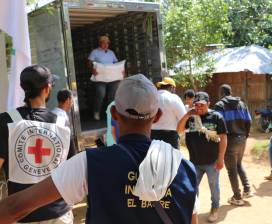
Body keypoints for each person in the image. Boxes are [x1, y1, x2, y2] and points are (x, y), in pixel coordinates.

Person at [0, 74, 198, 224]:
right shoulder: (186, 168)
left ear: (114, 113)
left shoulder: (89, 163)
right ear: (157, 116)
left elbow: (15, 207)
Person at [0, 65, 76, 223]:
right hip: (59, 214)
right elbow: (72, 171)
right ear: (47, 88)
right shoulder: (62, 123)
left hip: (21, 215)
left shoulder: (6, 121)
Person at [177, 92, 227, 223]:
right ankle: (194, 213)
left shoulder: (216, 117)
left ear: (209, 104)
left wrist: (221, 158)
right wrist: (187, 114)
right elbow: (179, 130)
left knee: (214, 186)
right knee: (192, 188)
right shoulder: (191, 117)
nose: (199, 107)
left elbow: (223, 138)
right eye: (196, 105)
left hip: (212, 161)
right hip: (194, 161)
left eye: (202, 105)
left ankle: (215, 208)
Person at [214, 84, 252, 206]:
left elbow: (216, 125)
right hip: (242, 139)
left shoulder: (219, 105)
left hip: (229, 141)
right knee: (239, 164)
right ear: (230, 92)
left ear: (222, 93)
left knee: (232, 170)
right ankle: (247, 190)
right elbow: (249, 121)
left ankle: (237, 197)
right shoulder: (242, 104)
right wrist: (245, 135)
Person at [88, 35, 119, 121]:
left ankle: (110, 113)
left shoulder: (111, 53)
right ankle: (96, 112)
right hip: (100, 78)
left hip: (112, 78)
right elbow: (89, 63)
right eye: (104, 43)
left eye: (107, 43)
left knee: (112, 96)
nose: (106, 45)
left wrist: (120, 72)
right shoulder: (95, 52)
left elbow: (116, 63)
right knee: (100, 94)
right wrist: (92, 70)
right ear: (100, 43)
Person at [151, 77, 186, 149]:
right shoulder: (173, 98)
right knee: (172, 159)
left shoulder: (151, 98)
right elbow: (183, 118)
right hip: (170, 137)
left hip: (152, 136)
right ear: (172, 87)